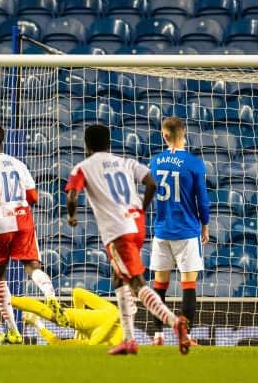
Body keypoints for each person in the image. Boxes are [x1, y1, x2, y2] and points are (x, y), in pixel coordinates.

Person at [65, 124, 191, 355]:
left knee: (136, 283)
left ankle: (175, 322)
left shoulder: (83, 167)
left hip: (118, 231)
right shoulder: (125, 161)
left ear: (87, 145)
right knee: (119, 280)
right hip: (136, 225)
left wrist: (71, 216)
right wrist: (142, 209)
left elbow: (72, 195)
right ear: (108, 143)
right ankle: (129, 340)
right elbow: (151, 182)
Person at [0, 124, 67, 344]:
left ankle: (13, 331)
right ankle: (51, 296)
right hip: (23, 220)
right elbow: (34, 197)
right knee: (32, 267)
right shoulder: (19, 164)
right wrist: (17, 205)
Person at [149, 117, 210, 346]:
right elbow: (202, 200)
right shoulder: (194, 163)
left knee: (159, 285)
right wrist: (205, 225)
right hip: (186, 230)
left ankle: (157, 335)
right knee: (188, 285)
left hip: (162, 231)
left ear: (164, 135)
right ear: (184, 133)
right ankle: (186, 335)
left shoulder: (154, 162)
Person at [0, 287, 124, 346]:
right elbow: (92, 344)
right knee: (51, 316)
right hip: (93, 328)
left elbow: (78, 292)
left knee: (48, 312)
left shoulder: (112, 310)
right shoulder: (105, 344)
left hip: (96, 319)